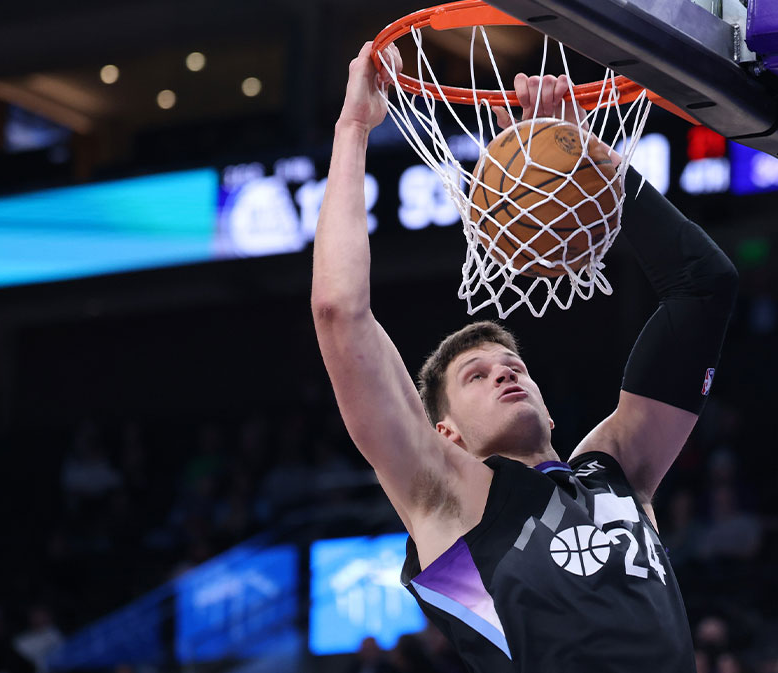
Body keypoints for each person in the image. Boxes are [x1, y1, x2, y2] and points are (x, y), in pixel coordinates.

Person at [312, 41, 738, 673]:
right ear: (446, 433)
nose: (505, 372)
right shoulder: (447, 497)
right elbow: (340, 315)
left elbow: (707, 286)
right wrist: (352, 129)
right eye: (476, 376)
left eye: (512, 367)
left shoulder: (616, 467)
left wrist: (581, 157)